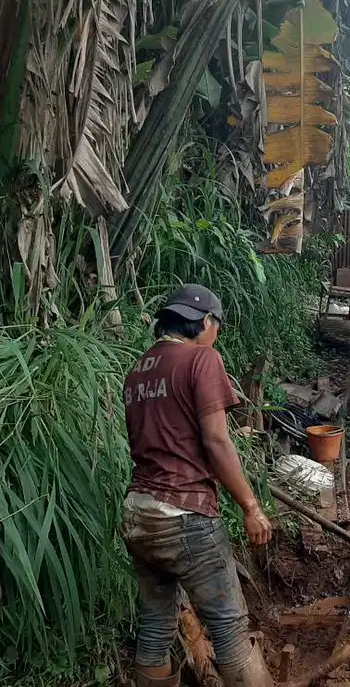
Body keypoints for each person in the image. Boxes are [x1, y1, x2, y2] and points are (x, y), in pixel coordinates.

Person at [122, 284, 274, 687]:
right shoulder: (202, 358)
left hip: (139, 512)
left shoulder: (139, 369)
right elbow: (217, 440)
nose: (216, 333)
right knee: (228, 627)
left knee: (156, 626)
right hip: (184, 513)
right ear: (205, 321)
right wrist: (250, 506)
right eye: (216, 325)